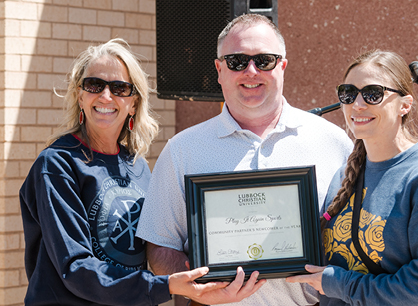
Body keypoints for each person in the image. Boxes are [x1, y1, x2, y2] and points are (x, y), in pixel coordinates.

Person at [19, 38, 263, 306]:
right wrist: (165, 286)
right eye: (94, 85)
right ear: (80, 95)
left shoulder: (137, 166)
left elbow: (160, 245)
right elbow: (76, 267)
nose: (105, 96)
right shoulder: (57, 165)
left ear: (133, 103)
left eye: (120, 88)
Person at [136, 14, 354, 306]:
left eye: (264, 60)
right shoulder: (182, 150)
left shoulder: (332, 142)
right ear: (219, 69)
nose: (251, 71)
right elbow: (161, 247)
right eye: (237, 61)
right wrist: (199, 287)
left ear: (283, 66)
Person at [286, 50, 418, 305]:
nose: (357, 104)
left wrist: (340, 284)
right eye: (348, 93)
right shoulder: (343, 176)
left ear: (405, 105)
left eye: (373, 94)